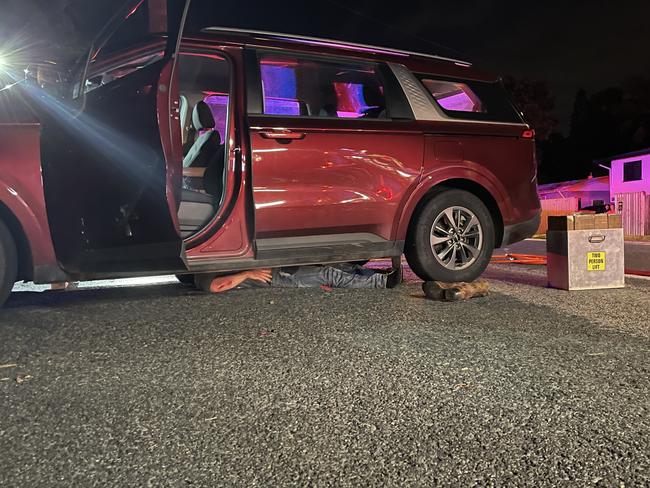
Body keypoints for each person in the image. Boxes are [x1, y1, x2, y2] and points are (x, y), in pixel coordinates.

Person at [196, 263, 402, 293]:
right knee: (327, 274)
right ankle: (382, 282)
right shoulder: (201, 277)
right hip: (275, 277)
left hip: (278, 270)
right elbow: (216, 286)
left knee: (336, 267)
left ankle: (375, 274)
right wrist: (249, 273)